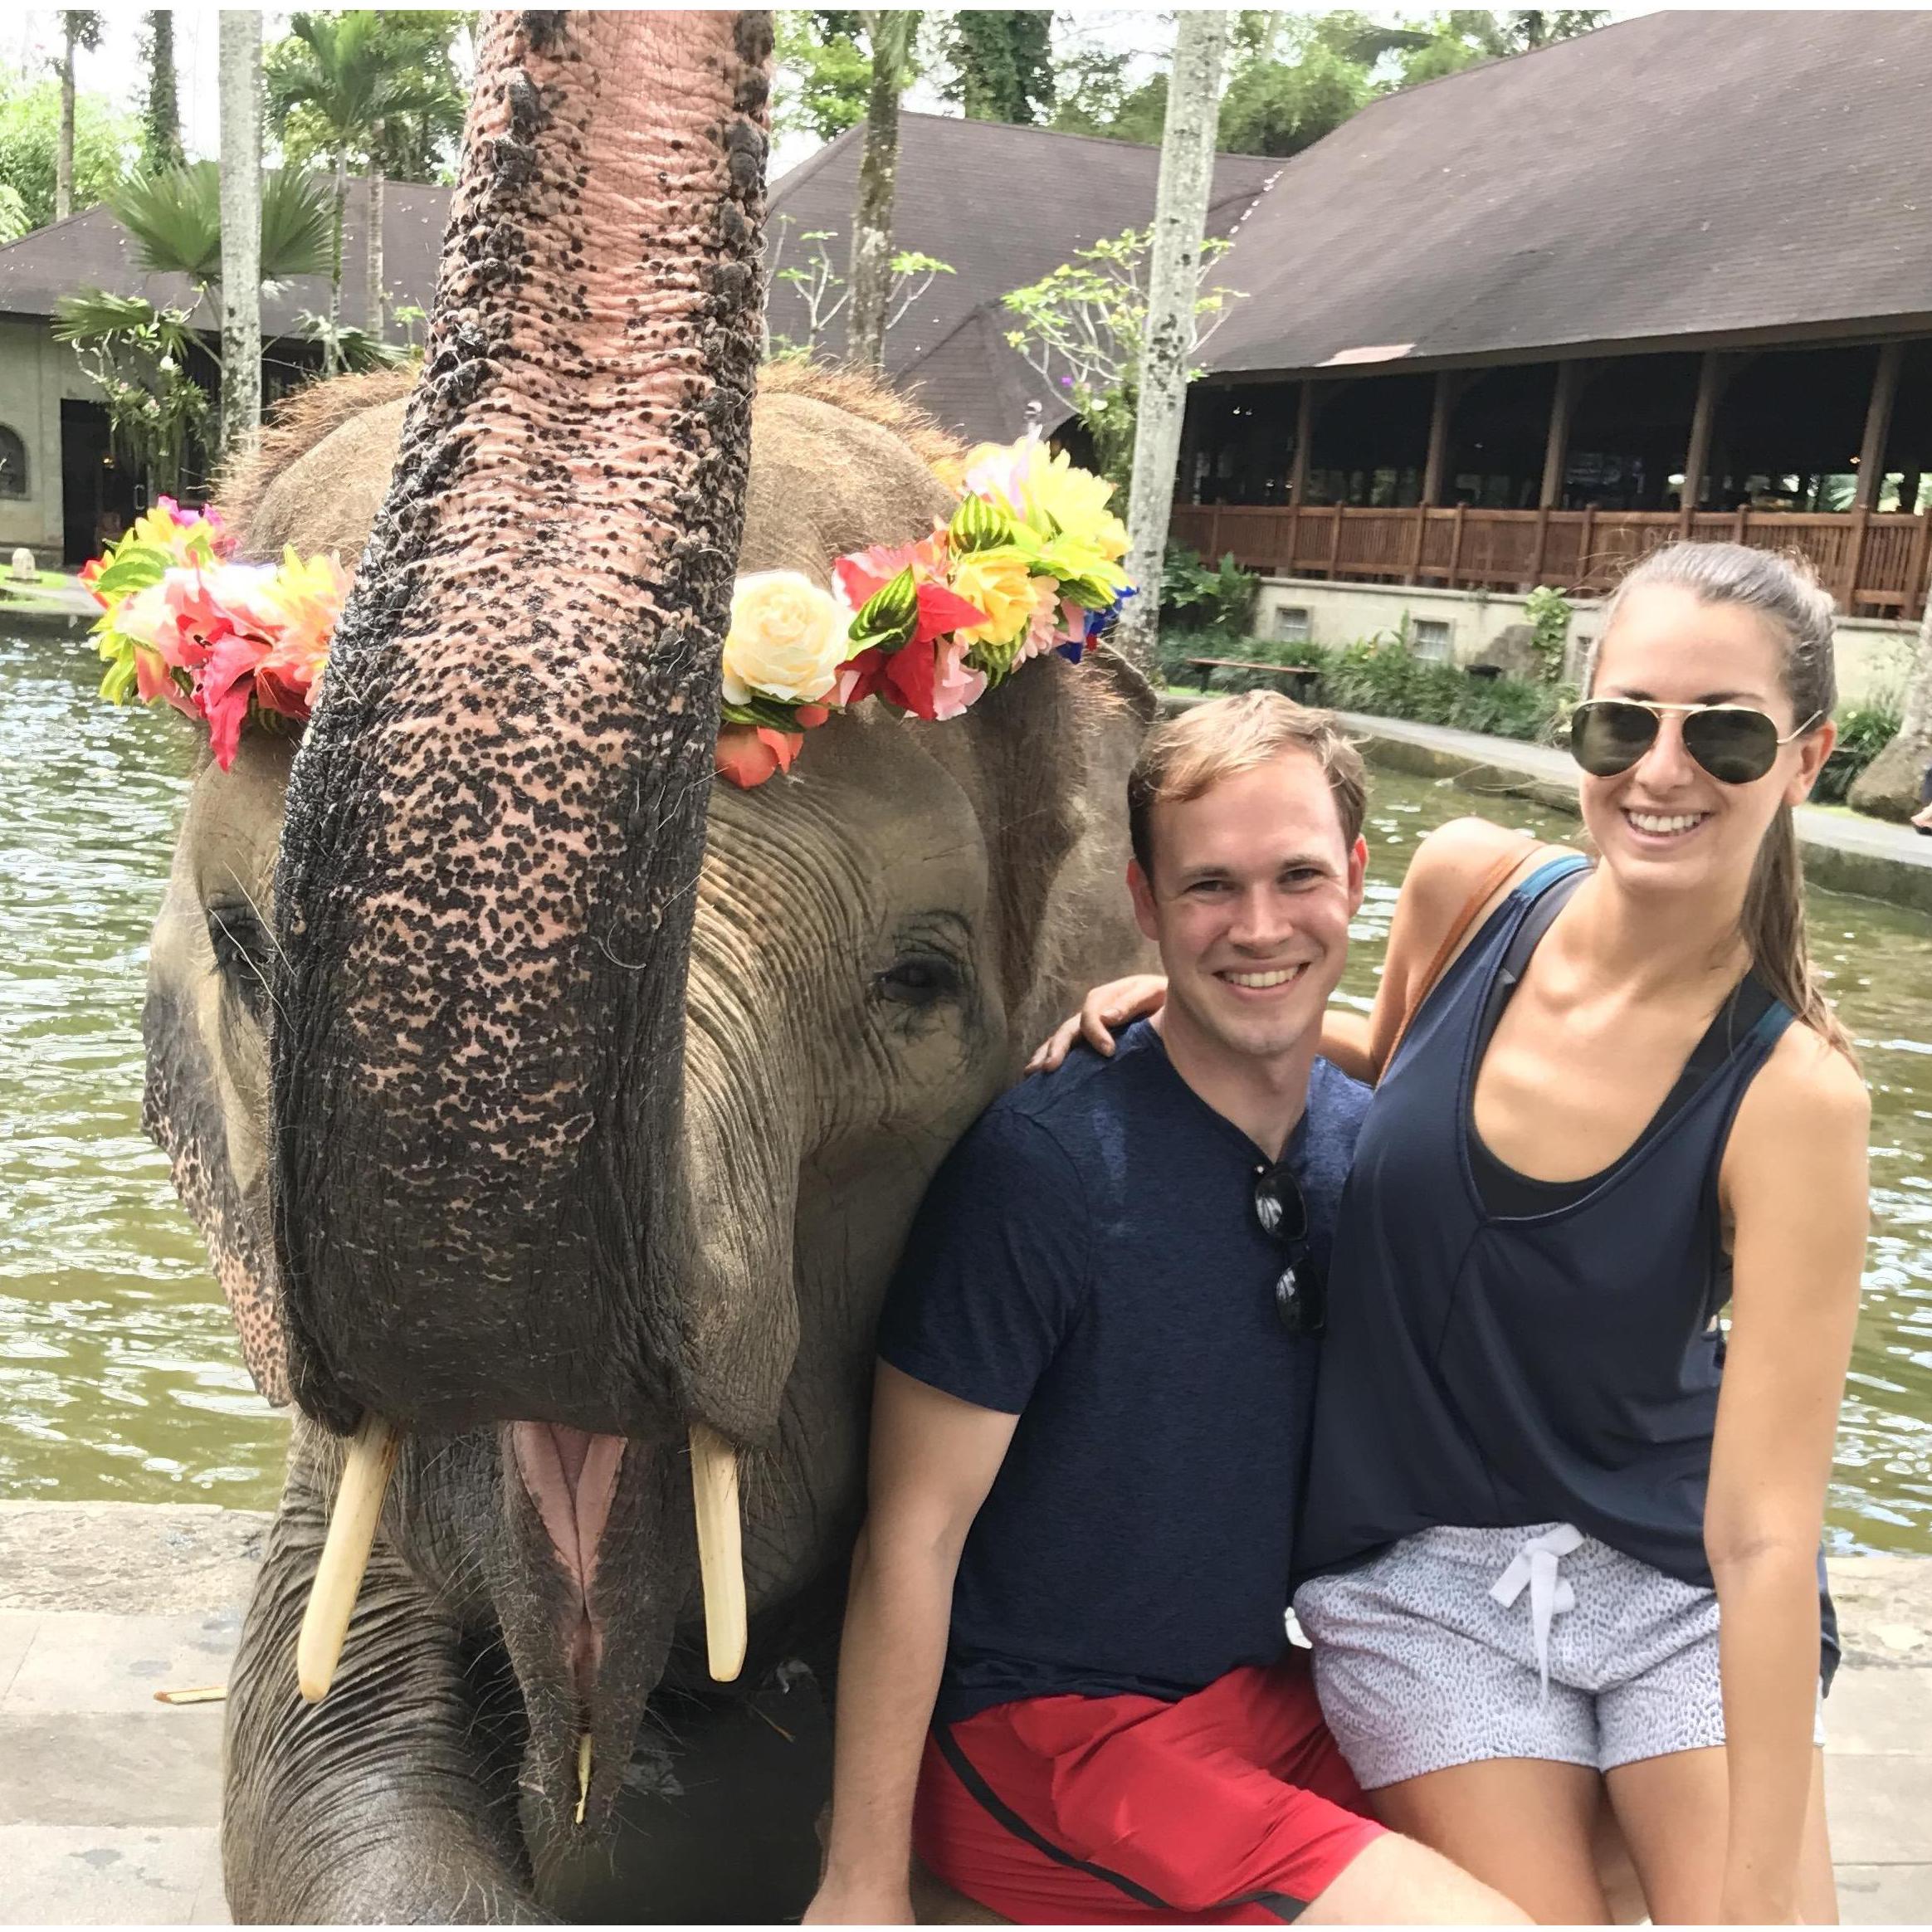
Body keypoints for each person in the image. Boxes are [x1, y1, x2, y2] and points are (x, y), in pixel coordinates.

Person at [1033, 543, 1869, 1925]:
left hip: (1674, 1587)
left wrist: (1768, 1889)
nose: (1662, 771)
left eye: (1722, 732)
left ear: (1806, 758)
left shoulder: (1794, 1100)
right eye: (1625, 721)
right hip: (1424, 1578)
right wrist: (1187, 1004)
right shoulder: (1473, 885)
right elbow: (1401, 1071)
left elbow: (1767, 1538)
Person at [804, 696, 1521, 1926]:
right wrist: (861, 1887)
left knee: (1592, 1838)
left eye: (1297, 875)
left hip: (1269, 1691)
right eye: (1209, 889)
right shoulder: (1046, 1168)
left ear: (1356, 878)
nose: (1258, 926)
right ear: (1143, 903)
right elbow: (911, 1535)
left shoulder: (1372, 1147)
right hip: (1046, 1734)